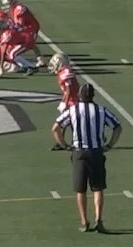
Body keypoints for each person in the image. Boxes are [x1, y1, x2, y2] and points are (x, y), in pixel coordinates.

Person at [52, 83, 122, 232]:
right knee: (98, 188)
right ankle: (99, 220)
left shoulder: (73, 110)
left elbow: (56, 128)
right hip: (96, 152)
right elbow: (117, 127)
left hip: (79, 152)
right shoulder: (101, 110)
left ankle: (84, 222)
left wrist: (65, 145)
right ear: (93, 96)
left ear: (80, 95)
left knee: (80, 189)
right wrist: (110, 145)